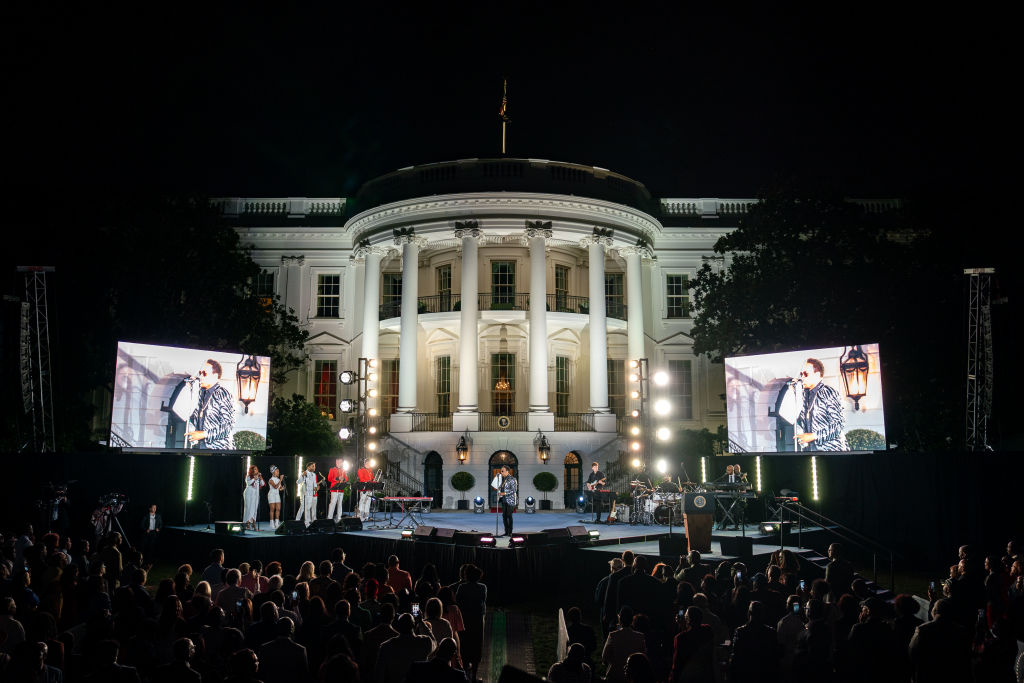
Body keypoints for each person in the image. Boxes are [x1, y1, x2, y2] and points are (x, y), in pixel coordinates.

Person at [795, 358, 847, 451]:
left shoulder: (828, 392)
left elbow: (838, 424)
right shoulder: (803, 395)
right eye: (801, 374)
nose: (802, 377)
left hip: (832, 450)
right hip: (811, 451)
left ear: (817, 375)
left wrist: (814, 436)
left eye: (806, 374)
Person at [185, 359, 236, 449]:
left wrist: (204, 434)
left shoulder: (223, 394)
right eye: (200, 373)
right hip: (200, 446)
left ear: (215, 376)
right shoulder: (201, 393)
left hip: (219, 449)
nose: (200, 376)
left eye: (204, 373)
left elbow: (228, 425)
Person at [374, 612, 434, 683]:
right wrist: (421, 622)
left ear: (398, 626)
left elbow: (379, 673)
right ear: (414, 625)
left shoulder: (386, 646)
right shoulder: (424, 642)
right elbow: (434, 642)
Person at [668, 605, 715, 683]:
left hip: (688, 676)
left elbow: (678, 663)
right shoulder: (707, 631)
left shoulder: (680, 638)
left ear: (688, 620)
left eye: (686, 616)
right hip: (706, 674)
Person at [602, 606, 646, 683]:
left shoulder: (613, 635)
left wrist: (615, 662)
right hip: (633, 676)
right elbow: (643, 656)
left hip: (615, 675)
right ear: (632, 619)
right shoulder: (640, 637)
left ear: (620, 619)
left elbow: (604, 656)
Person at [496, 465, 518, 536]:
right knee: (504, 516)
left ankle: (510, 532)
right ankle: (506, 532)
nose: (501, 472)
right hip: (503, 500)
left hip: (511, 500)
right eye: (501, 471)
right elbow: (501, 488)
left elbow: (514, 490)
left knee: (509, 515)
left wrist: (504, 493)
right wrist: (499, 492)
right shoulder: (502, 479)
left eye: (502, 471)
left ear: (507, 471)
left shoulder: (512, 479)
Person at [296, 461, 319, 527]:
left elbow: (314, 484)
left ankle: (307, 522)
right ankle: (299, 521)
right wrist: (303, 475)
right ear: (309, 467)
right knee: (304, 507)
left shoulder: (314, 474)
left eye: (314, 466)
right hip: (304, 493)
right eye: (313, 466)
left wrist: (316, 488)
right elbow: (298, 482)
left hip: (311, 493)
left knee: (307, 508)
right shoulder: (304, 473)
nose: (314, 467)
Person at [326, 458, 348, 523]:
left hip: (341, 489)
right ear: (336, 462)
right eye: (338, 462)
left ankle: (338, 518)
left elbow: (347, 479)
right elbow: (329, 479)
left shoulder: (343, 470)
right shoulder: (332, 469)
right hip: (334, 489)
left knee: (340, 504)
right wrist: (337, 478)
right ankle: (329, 518)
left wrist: (343, 479)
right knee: (332, 503)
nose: (339, 463)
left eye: (341, 462)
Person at [243, 465, 265, 530]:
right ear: (252, 470)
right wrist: (254, 478)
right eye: (255, 469)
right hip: (249, 493)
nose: (257, 470)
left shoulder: (258, 477)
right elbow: (248, 483)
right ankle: (247, 523)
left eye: (257, 469)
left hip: (255, 494)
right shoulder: (248, 476)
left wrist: (260, 478)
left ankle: (254, 524)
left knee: (255, 509)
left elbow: (263, 484)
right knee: (248, 508)